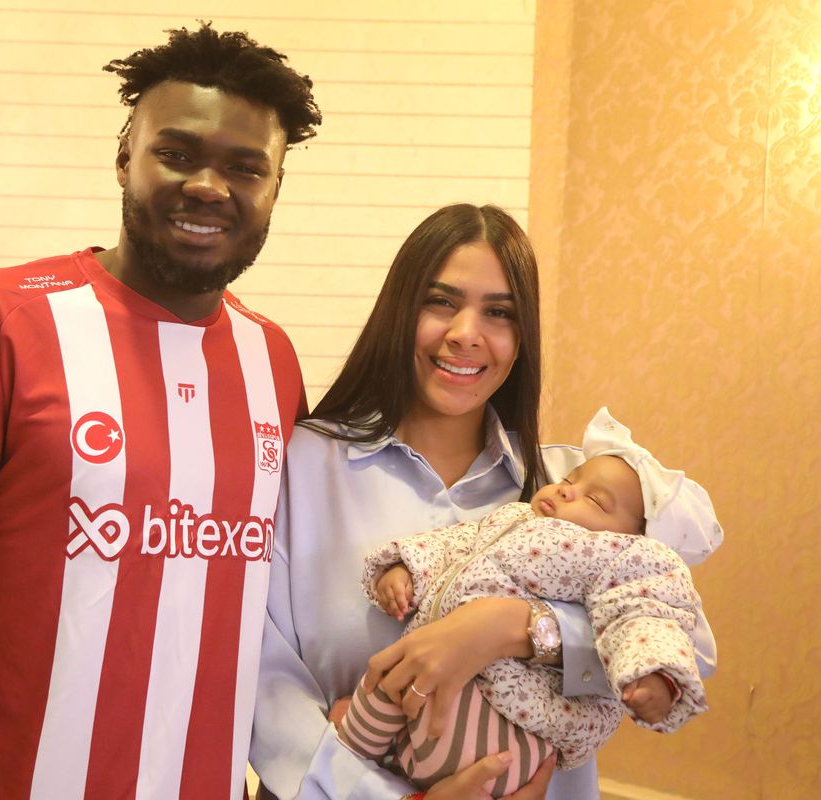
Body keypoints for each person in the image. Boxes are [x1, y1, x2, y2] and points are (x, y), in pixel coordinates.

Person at [0, 23, 323, 800]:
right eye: (176, 152)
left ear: (275, 189)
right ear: (124, 157)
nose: (209, 186)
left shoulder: (272, 359)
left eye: (246, 168)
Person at [249, 204, 720, 800]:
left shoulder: (570, 489)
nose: (466, 333)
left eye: (499, 312)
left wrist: (515, 627)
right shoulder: (298, 466)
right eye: (440, 301)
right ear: (399, 311)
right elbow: (263, 683)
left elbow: (687, 643)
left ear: (522, 339)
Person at [340, 407, 721, 796]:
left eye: (596, 500)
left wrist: (654, 672)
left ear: (637, 536)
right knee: (381, 685)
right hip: (423, 673)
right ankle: (353, 749)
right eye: (570, 479)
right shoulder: (512, 518)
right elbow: (454, 542)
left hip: (509, 707)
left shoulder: (622, 557)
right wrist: (405, 568)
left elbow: (646, 613)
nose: (566, 489)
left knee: (470, 751)